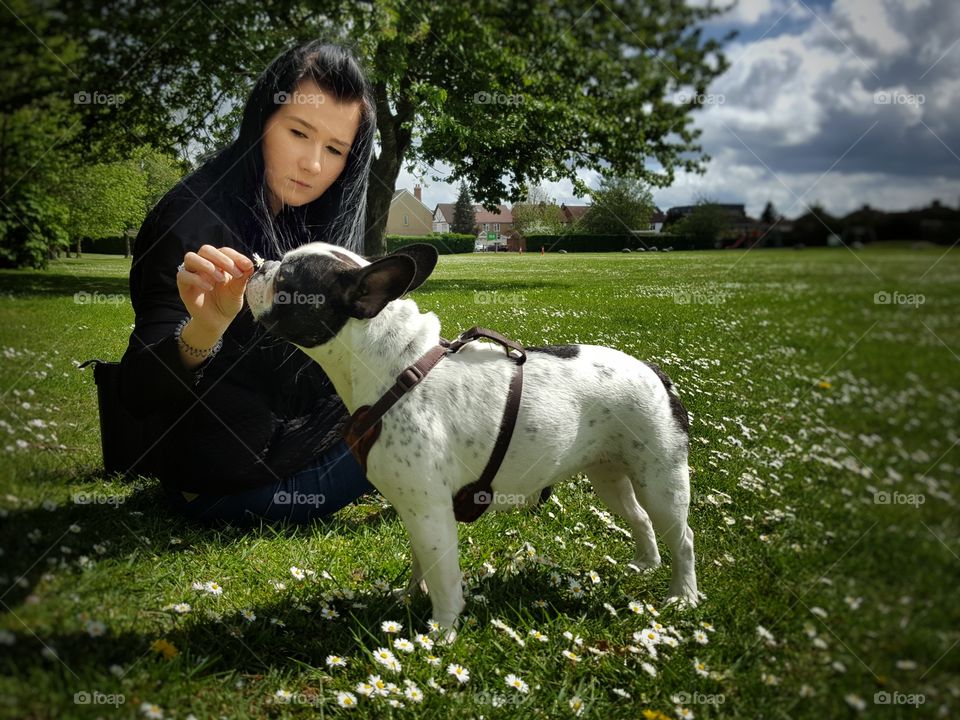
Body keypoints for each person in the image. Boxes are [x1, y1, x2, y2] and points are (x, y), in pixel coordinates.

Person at [119, 41, 378, 526]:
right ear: (262, 119)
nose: (313, 165)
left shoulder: (303, 222)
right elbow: (137, 391)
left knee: (423, 381)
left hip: (283, 446)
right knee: (414, 410)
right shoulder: (192, 220)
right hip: (221, 487)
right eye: (299, 132)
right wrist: (204, 330)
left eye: (335, 149)